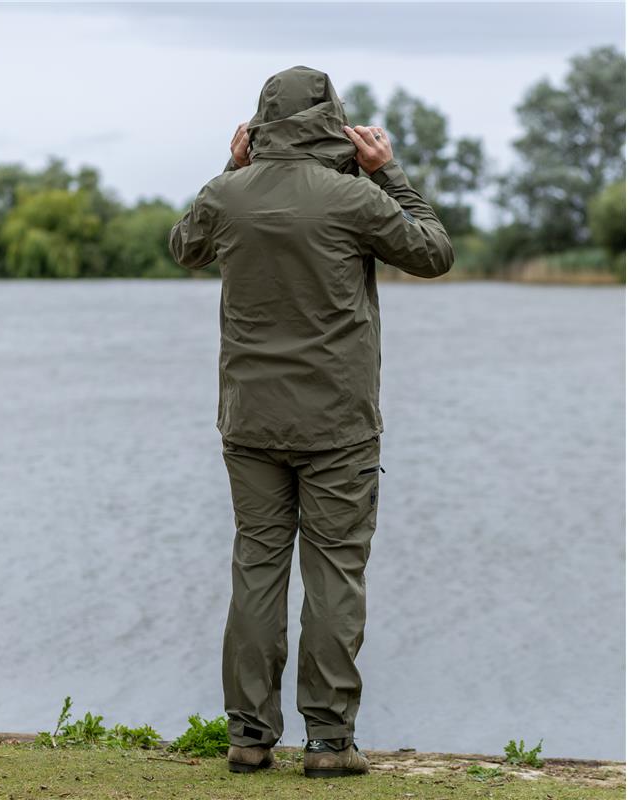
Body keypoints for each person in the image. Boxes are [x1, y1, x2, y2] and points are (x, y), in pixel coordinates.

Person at [168, 65, 454, 778]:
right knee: (334, 575)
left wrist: (232, 168)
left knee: (257, 570)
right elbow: (434, 253)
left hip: (250, 422)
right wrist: (388, 173)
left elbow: (185, 247)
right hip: (338, 426)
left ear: (259, 123)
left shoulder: (227, 196)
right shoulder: (355, 197)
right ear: (334, 121)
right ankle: (328, 743)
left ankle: (248, 736)